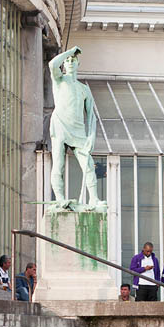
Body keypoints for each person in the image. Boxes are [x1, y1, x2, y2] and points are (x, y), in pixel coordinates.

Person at [47, 46, 105, 210]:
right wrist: (70, 51)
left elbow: (92, 116)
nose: (70, 62)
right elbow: (52, 65)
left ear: (78, 63)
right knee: (58, 164)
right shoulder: (59, 80)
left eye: (73, 60)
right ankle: (60, 198)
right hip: (60, 125)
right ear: (64, 64)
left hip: (78, 130)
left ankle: (94, 198)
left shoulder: (84, 89)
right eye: (68, 60)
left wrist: (91, 137)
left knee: (88, 165)